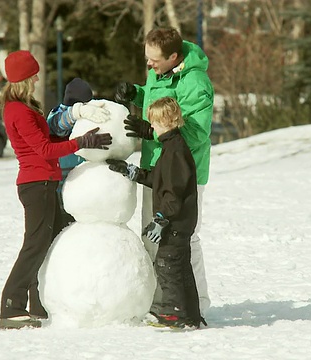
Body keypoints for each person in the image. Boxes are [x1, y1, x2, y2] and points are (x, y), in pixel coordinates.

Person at [0, 50, 112, 330]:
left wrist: (75, 123)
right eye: (33, 74)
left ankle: (38, 303)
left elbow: (48, 137)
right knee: (34, 245)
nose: (37, 78)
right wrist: (82, 142)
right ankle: (11, 305)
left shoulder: (26, 107)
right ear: (23, 78)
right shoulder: (19, 111)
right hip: (35, 184)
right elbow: (46, 149)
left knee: (49, 242)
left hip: (44, 183)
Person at [114, 27, 214, 315]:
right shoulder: (160, 71)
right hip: (154, 167)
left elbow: (196, 133)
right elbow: (157, 100)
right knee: (153, 237)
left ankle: (196, 304)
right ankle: (163, 301)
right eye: (147, 58)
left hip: (184, 173)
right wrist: (136, 93)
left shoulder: (196, 83)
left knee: (182, 238)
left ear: (173, 56)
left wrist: (152, 131)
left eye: (154, 60)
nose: (149, 65)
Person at [106, 97, 203, 328]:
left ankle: (174, 313)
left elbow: (173, 193)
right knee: (181, 267)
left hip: (175, 222)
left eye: (154, 124)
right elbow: (160, 180)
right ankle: (190, 314)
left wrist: (161, 219)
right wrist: (133, 172)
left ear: (166, 121)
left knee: (167, 265)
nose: (152, 129)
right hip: (179, 222)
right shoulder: (170, 147)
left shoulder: (175, 151)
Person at [46, 78, 110, 223]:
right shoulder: (58, 113)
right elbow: (58, 125)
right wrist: (77, 112)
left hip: (82, 178)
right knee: (63, 219)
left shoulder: (89, 116)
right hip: (61, 179)